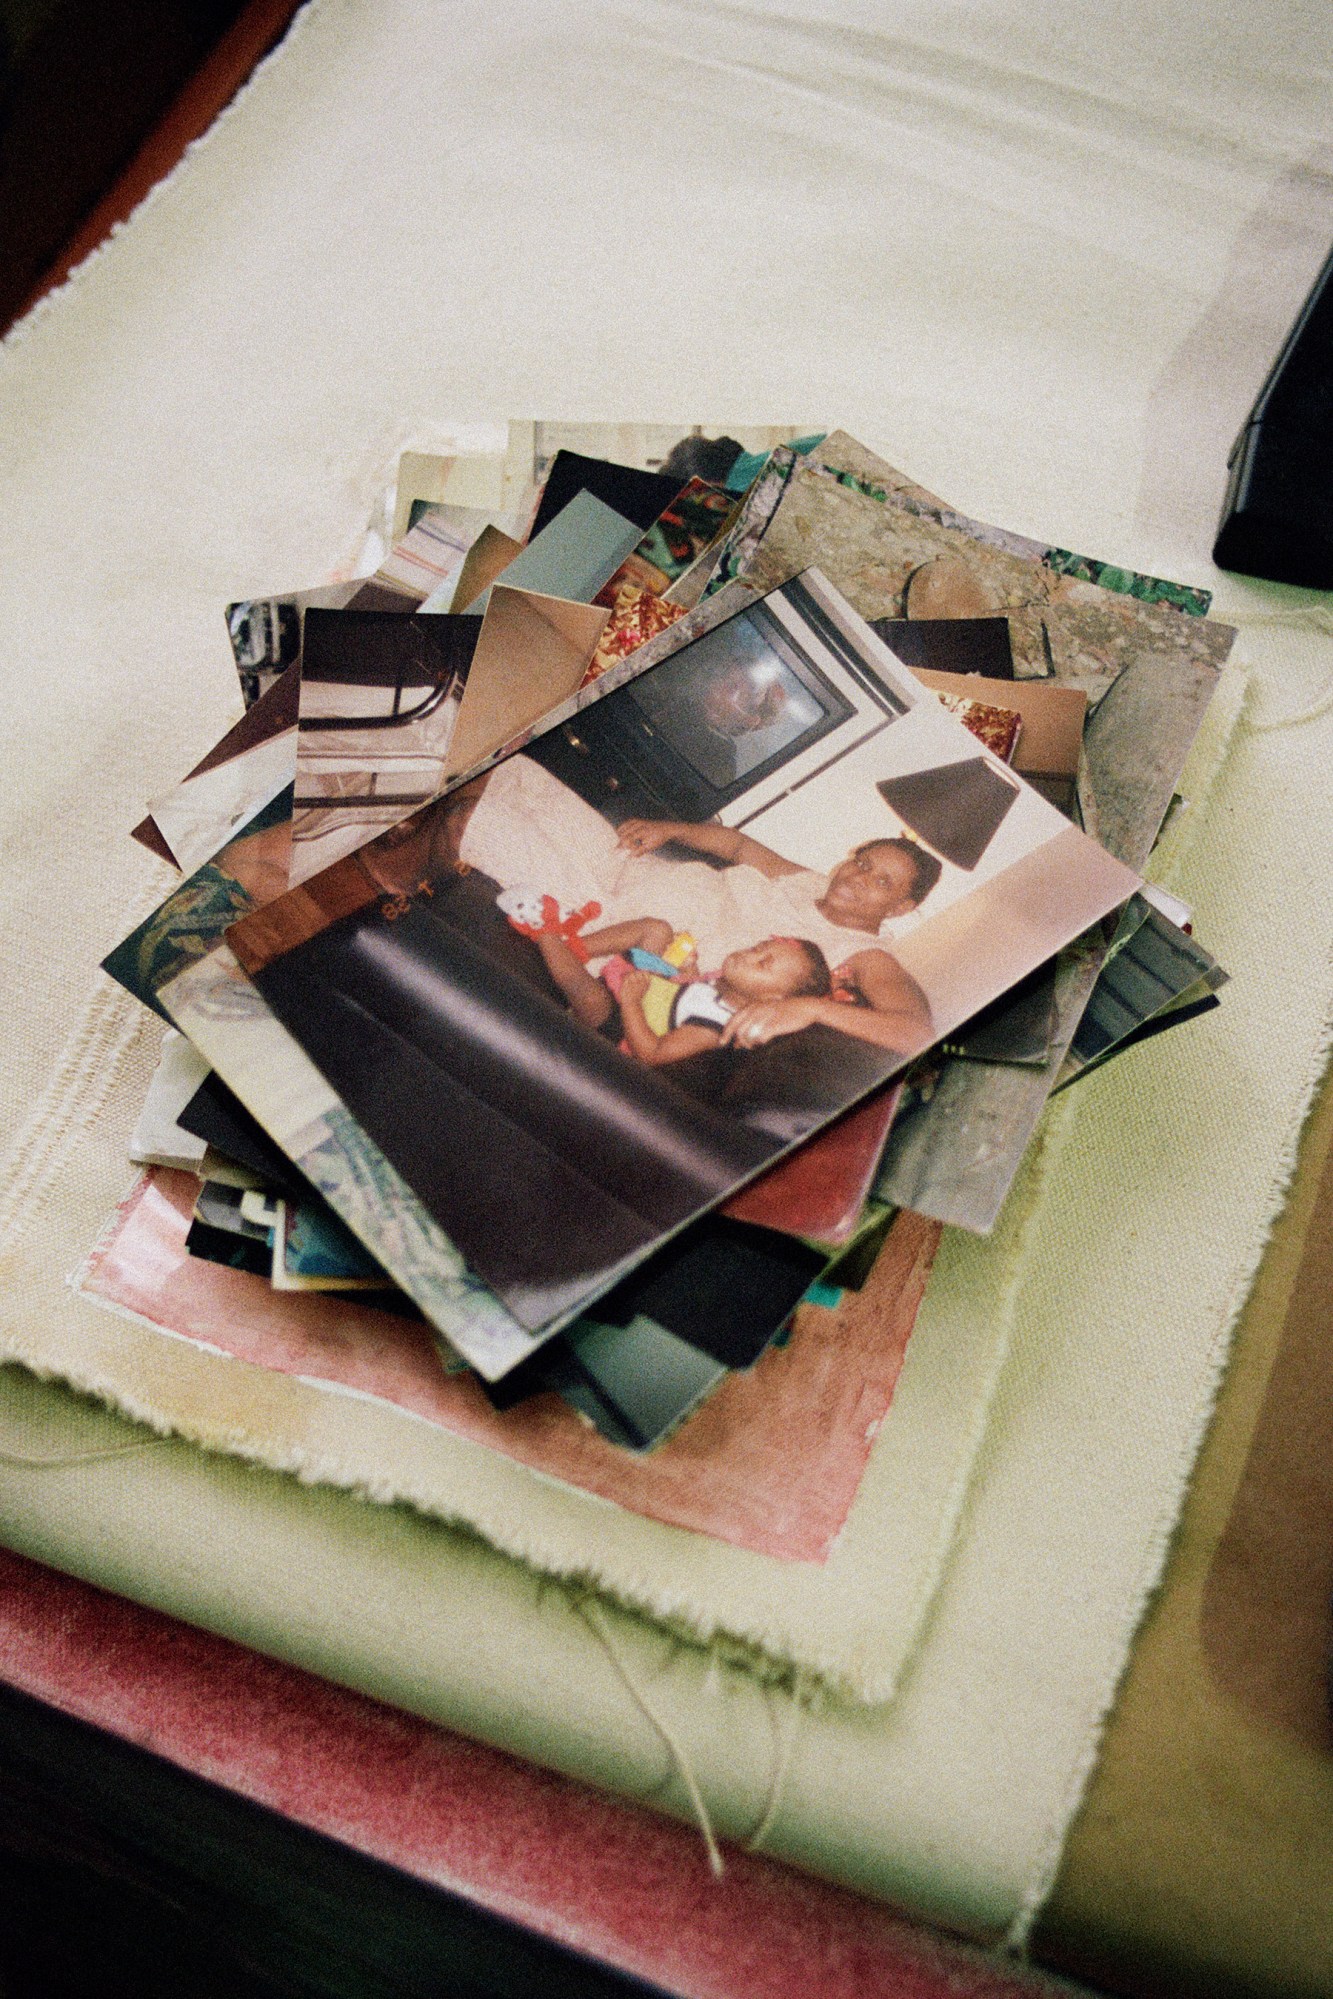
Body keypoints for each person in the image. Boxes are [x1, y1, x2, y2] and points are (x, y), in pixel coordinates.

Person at [450, 754, 940, 1059]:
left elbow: (915, 1032)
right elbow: (738, 847)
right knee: (504, 770)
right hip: (628, 867)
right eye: (862, 861)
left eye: (882, 881)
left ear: (900, 907)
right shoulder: (807, 882)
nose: (857, 877)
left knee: (469, 817)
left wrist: (810, 1008)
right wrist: (673, 830)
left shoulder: (866, 955)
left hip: (606, 924)